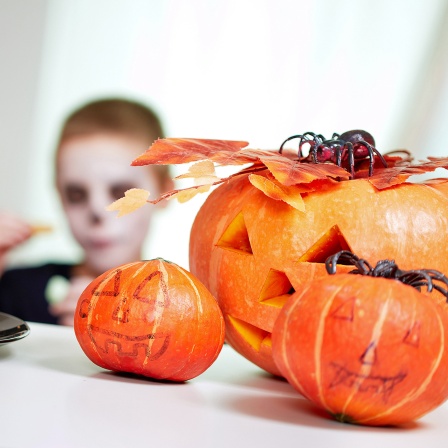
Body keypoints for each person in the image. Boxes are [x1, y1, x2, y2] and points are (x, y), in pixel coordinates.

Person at [0, 98, 172, 325]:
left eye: (121, 192)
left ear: (165, 192)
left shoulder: (186, 307)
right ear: (59, 196)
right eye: (76, 195)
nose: (97, 211)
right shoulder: (18, 290)